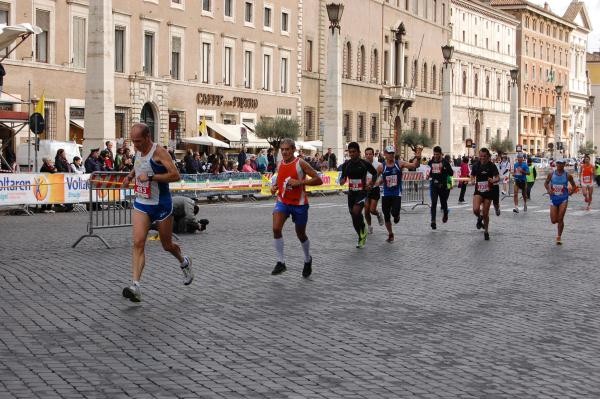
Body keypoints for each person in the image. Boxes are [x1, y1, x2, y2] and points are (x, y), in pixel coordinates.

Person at [121, 123, 193, 303]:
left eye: (138, 141)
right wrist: (130, 176)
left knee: (167, 245)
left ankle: (184, 261)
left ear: (147, 138)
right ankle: (135, 286)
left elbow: (176, 176)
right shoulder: (138, 150)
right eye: (133, 141)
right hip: (142, 203)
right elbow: (139, 165)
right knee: (138, 242)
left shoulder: (159, 152)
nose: (135, 145)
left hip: (161, 204)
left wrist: (152, 177)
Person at [270, 138, 322, 277]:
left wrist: (300, 182)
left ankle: (307, 259)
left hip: (299, 204)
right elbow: (279, 182)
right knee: (276, 228)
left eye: (287, 149)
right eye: (283, 150)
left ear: (293, 150)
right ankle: (281, 262)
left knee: (301, 234)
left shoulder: (301, 163)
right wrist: (274, 188)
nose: (285, 152)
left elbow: (319, 180)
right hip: (283, 202)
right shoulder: (279, 164)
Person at [375, 145, 422, 242]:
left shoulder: (399, 163)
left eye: (392, 153)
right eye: (389, 153)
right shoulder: (381, 167)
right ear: (385, 154)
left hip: (396, 193)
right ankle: (390, 234)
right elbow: (375, 178)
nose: (391, 155)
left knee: (394, 213)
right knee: (386, 215)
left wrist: (418, 157)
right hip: (386, 194)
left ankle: (397, 215)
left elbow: (415, 166)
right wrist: (373, 184)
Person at [339, 142, 379, 248]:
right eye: (350, 152)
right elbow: (343, 178)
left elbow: (374, 173)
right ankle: (361, 234)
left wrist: (371, 184)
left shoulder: (364, 163)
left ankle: (362, 230)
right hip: (351, 193)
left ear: (358, 152)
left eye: (353, 152)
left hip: (362, 192)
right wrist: (342, 180)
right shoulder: (346, 164)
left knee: (356, 212)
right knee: (354, 216)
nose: (351, 154)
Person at [544, 158, 576, 245]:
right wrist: (549, 189)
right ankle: (559, 222)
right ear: (556, 164)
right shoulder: (551, 174)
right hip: (554, 198)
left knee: (561, 218)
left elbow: (574, 185)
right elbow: (546, 183)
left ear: (564, 164)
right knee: (554, 220)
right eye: (558, 163)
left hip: (563, 198)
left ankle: (559, 237)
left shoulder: (567, 175)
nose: (560, 165)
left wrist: (571, 192)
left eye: (561, 163)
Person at [471, 148, 500, 241]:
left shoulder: (491, 166)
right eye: (481, 156)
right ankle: (479, 218)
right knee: (475, 209)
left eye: (484, 156)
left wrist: (493, 180)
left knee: (485, 212)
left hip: (488, 192)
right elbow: (472, 175)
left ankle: (486, 231)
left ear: (488, 156)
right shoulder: (476, 165)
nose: (482, 158)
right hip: (479, 191)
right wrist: (472, 180)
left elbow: (498, 177)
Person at [428, 146, 454, 230]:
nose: (435, 156)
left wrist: (444, 168)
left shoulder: (445, 162)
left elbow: (451, 173)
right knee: (434, 203)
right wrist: (428, 175)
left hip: (443, 186)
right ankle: (433, 221)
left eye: (437, 154)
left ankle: (445, 213)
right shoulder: (431, 162)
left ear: (441, 154)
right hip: (434, 185)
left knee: (443, 203)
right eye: (434, 154)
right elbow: (430, 171)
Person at [363, 147, 384, 234]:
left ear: (373, 155)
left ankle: (378, 214)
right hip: (366, 190)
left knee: (372, 210)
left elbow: (385, 175)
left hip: (375, 189)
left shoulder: (378, 164)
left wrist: (379, 182)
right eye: (366, 154)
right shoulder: (363, 164)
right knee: (366, 211)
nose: (368, 156)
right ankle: (369, 226)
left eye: (370, 154)